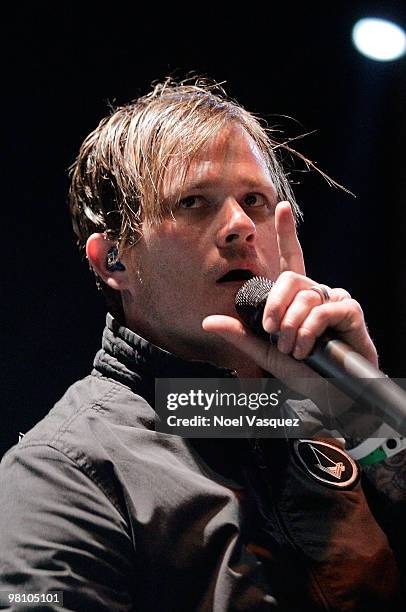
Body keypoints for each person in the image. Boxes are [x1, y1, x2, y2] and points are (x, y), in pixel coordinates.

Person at [0, 78, 405, 611]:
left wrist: (365, 408)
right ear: (113, 260)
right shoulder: (64, 470)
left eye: (255, 200)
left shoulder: (334, 415)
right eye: (193, 202)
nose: (240, 226)